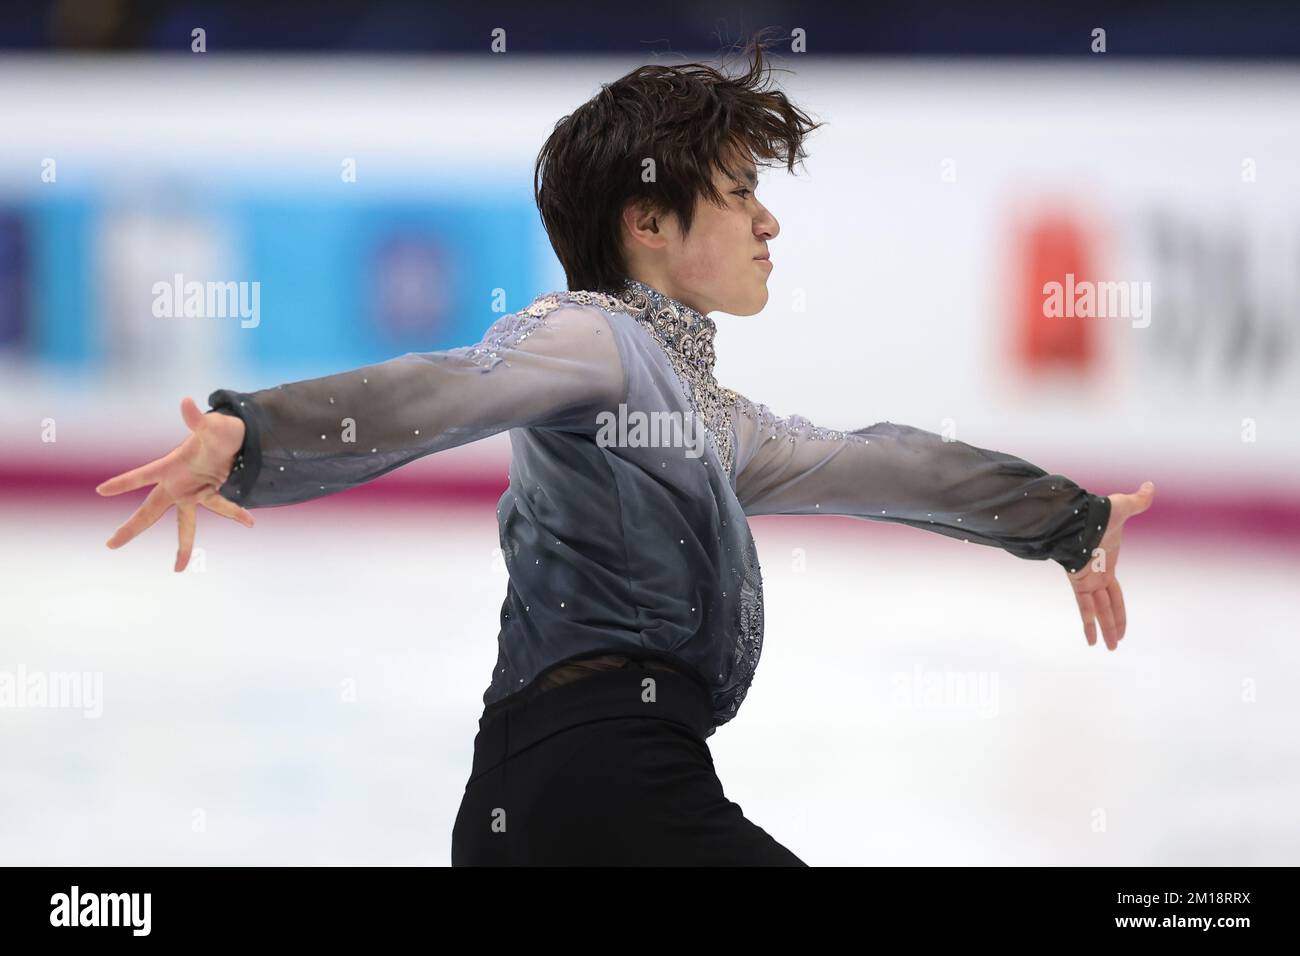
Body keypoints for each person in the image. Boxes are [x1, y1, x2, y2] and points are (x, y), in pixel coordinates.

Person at [95, 34, 1154, 866]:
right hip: (602, 786)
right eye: (740, 194)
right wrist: (251, 433)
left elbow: (880, 462)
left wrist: (1065, 518)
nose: (768, 224)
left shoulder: (700, 416)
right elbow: (444, 388)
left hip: (565, 793)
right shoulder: (591, 337)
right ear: (649, 219)